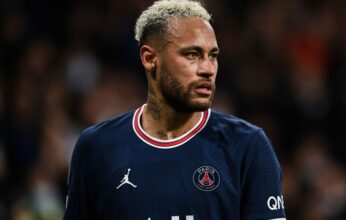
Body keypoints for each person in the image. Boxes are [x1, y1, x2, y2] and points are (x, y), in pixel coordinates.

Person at [63, 0, 286, 219]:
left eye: (213, 56)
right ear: (150, 59)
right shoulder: (97, 146)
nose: (208, 69)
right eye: (192, 54)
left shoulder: (246, 145)